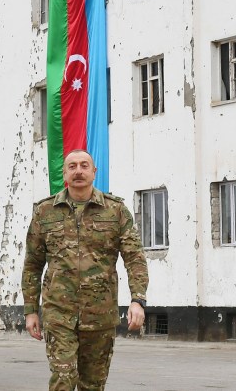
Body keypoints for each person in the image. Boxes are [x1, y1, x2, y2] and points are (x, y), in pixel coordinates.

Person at [22, 149, 149, 391]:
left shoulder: (115, 210)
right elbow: (32, 264)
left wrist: (138, 300)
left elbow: (134, 258)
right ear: (64, 173)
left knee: (92, 385)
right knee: (63, 378)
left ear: (94, 172)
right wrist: (30, 311)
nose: (78, 171)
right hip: (58, 313)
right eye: (72, 166)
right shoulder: (45, 211)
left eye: (84, 165)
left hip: (100, 315)